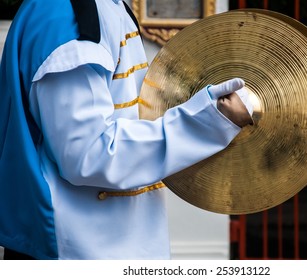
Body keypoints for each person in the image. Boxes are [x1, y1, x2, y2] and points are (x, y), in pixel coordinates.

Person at [0, 0, 253, 260]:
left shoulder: (105, 6)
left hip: (111, 244)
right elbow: (89, 154)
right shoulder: (68, 15)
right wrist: (209, 122)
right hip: (76, 251)